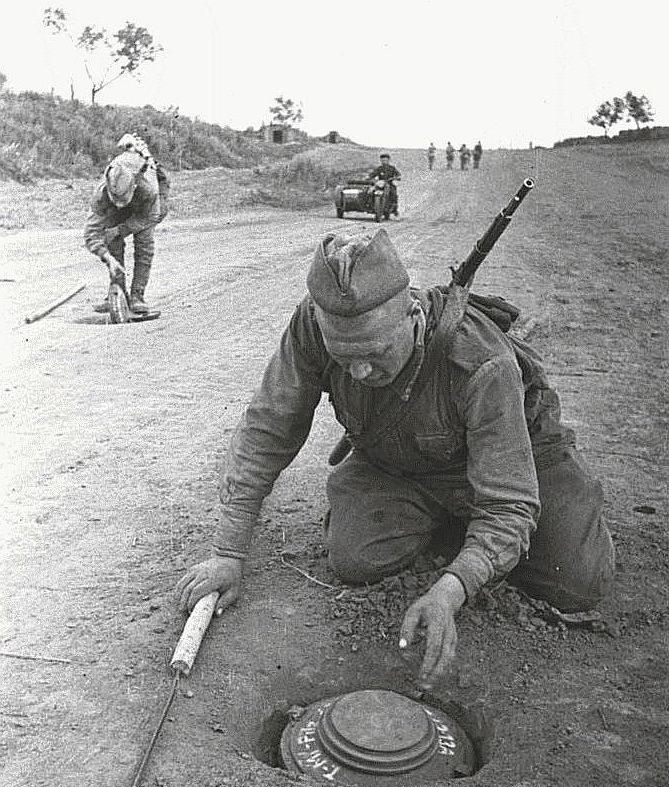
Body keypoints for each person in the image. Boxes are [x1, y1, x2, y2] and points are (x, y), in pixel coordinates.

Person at [176, 229, 615, 691]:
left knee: (577, 582)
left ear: (412, 316)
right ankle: (460, 526)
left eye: (374, 354)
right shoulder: (313, 325)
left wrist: (452, 587)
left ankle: (537, 515)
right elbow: (268, 427)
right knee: (355, 557)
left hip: (520, 458)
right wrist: (228, 553)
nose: (360, 372)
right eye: (344, 358)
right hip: (403, 462)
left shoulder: (481, 361)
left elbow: (509, 502)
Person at [84, 134, 170, 315]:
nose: (118, 204)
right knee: (111, 237)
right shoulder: (102, 193)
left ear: (133, 187)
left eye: (122, 200)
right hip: (129, 199)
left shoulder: (149, 188)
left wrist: (121, 229)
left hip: (147, 209)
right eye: (115, 199)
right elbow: (91, 233)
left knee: (144, 243)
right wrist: (106, 256)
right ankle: (118, 292)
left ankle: (138, 295)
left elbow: (151, 217)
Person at [367, 152, 401, 217]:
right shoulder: (379, 168)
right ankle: (370, 205)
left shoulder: (392, 168)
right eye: (382, 160)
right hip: (380, 184)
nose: (384, 162)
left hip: (389, 183)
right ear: (380, 161)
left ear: (388, 160)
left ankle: (395, 209)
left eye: (385, 160)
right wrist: (369, 177)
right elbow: (373, 174)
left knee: (393, 193)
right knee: (370, 192)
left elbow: (398, 174)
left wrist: (397, 177)